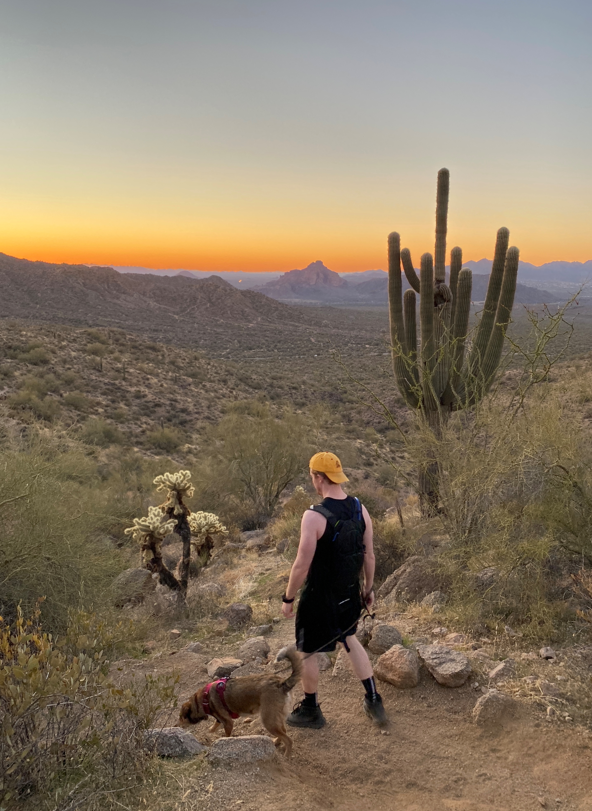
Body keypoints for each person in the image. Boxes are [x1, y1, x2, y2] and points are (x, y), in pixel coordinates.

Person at [281, 452, 388, 729]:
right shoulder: (359, 509)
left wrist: (288, 598)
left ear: (318, 478)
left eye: (312, 478)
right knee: (350, 640)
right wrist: (368, 589)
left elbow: (301, 565)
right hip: (349, 593)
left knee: (307, 651)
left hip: (319, 597)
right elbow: (370, 555)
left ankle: (311, 708)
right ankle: (374, 698)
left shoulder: (314, 516)